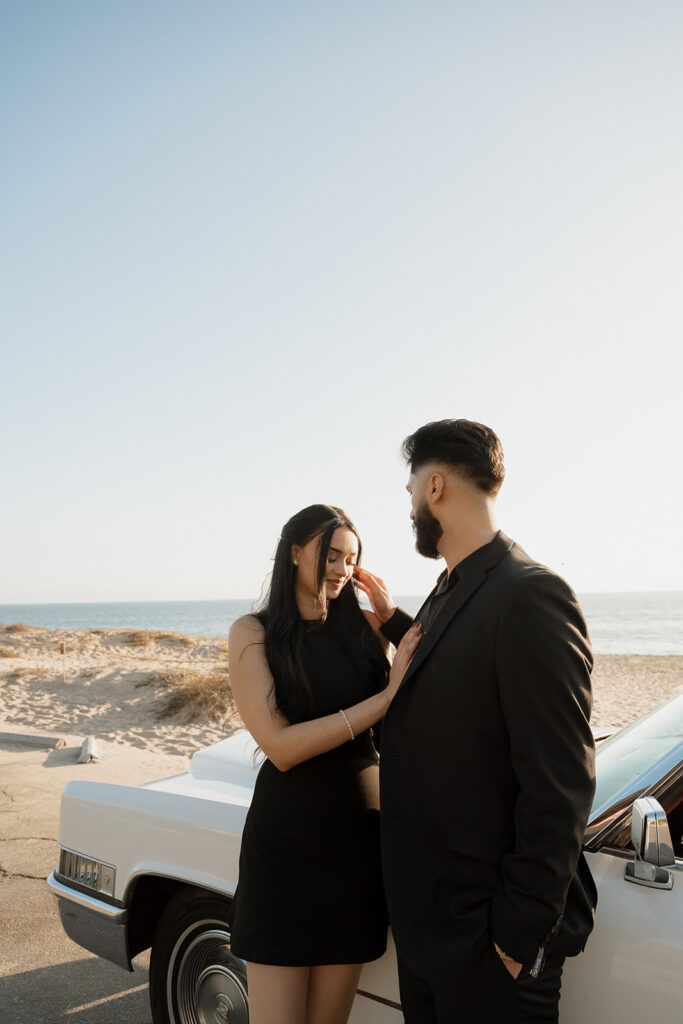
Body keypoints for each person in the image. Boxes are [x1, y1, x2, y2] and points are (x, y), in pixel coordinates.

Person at [353, 420, 597, 1024]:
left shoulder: (531, 595)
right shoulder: (455, 586)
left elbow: (560, 788)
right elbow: (451, 664)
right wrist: (390, 622)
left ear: (434, 486)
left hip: (485, 943)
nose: (410, 507)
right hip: (432, 928)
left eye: (411, 490)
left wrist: (511, 943)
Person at [227, 503, 421, 1024]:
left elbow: (440, 671)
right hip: (285, 853)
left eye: (350, 559)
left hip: (358, 852)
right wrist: (382, 702)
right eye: (330, 555)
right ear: (295, 552)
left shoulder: (364, 628)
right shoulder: (253, 633)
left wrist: (393, 615)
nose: (341, 568)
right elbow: (281, 747)